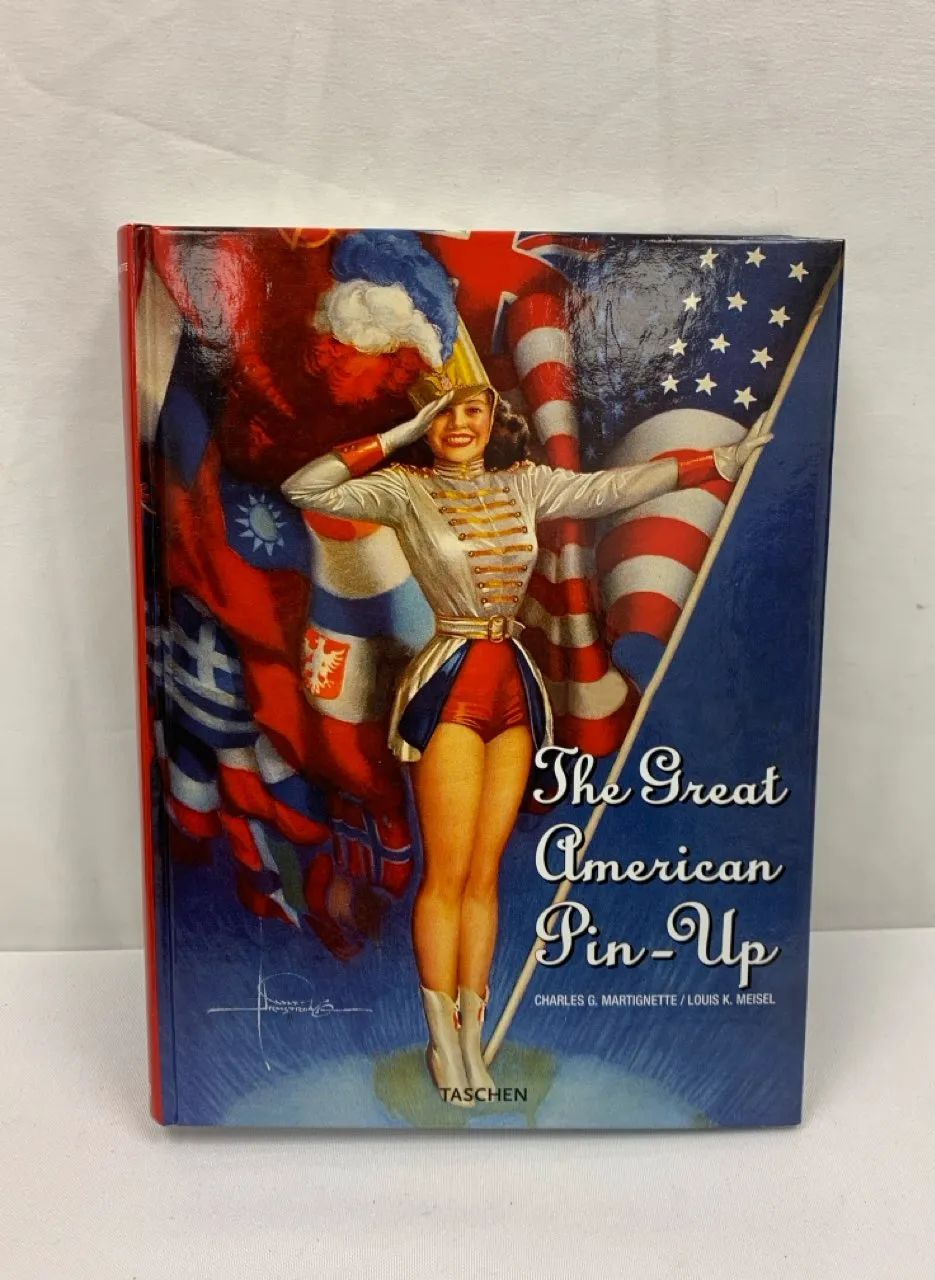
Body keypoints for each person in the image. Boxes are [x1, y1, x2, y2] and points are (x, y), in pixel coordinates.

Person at [282, 320, 770, 1105]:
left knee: (485, 877)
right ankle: (441, 1041)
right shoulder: (405, 490)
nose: (460, 424)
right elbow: (305, 489)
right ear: (426, 421)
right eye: (442, 412)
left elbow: (613, 489)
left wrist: (714, 462)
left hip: (513, 684)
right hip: (449, 684)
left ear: (492, 417)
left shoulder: (524, 484)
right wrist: (396, 435)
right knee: (446, 876)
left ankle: (473, 1039)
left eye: (471, 409)